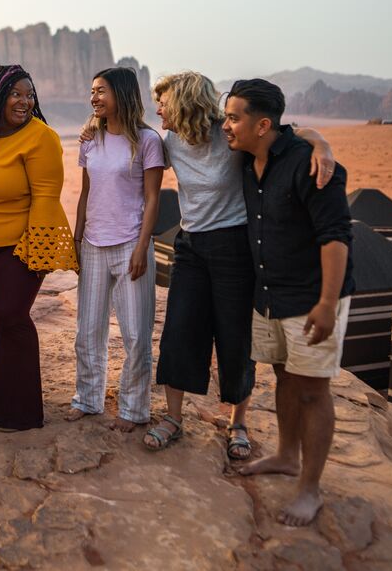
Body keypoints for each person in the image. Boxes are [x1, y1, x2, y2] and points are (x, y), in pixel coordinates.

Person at [134, 72, 334, 461]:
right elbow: (133, 143)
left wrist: (322, 144)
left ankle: (237, 424)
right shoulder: (171, 140)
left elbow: (284, 133)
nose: (157, 109)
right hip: (190, 246)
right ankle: (173, 419)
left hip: (235, 247)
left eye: (163, 102)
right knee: (180, 328)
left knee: (235, 337)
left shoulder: (230, 134)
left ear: (184, 105)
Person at [224, 78, 354, 527]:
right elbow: (297, 128)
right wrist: (318, 134)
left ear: (262, 125)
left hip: (310, 296)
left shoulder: (311, 166)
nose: (226, 125)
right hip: (269, 294)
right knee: (283, 377)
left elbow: (336, 237)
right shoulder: (248, 157)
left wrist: (327, 303)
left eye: (233, 117)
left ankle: (310, 490)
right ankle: (285, 456)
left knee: (314, 391)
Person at [0, 65, 78, 431]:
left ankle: (21, 413)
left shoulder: (41, 137)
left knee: (12, 319)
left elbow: (46, 198)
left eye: (29, 94)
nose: (25, 102)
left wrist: (39, 255)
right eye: (16, 94)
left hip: (17, 247)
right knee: (2, 322)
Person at [67, 67, 165, 431]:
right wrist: (77, 242)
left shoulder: (147, 140)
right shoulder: (90, 139)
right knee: (87, 330)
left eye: (101, 91)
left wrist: (142, 246)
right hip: (93, 243)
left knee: (136, 334)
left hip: (130, 244)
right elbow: (86, 193)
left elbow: (153, 199)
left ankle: (134, 409)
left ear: (121, 93)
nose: (94, 98)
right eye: (92, 91)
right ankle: (87, 399)